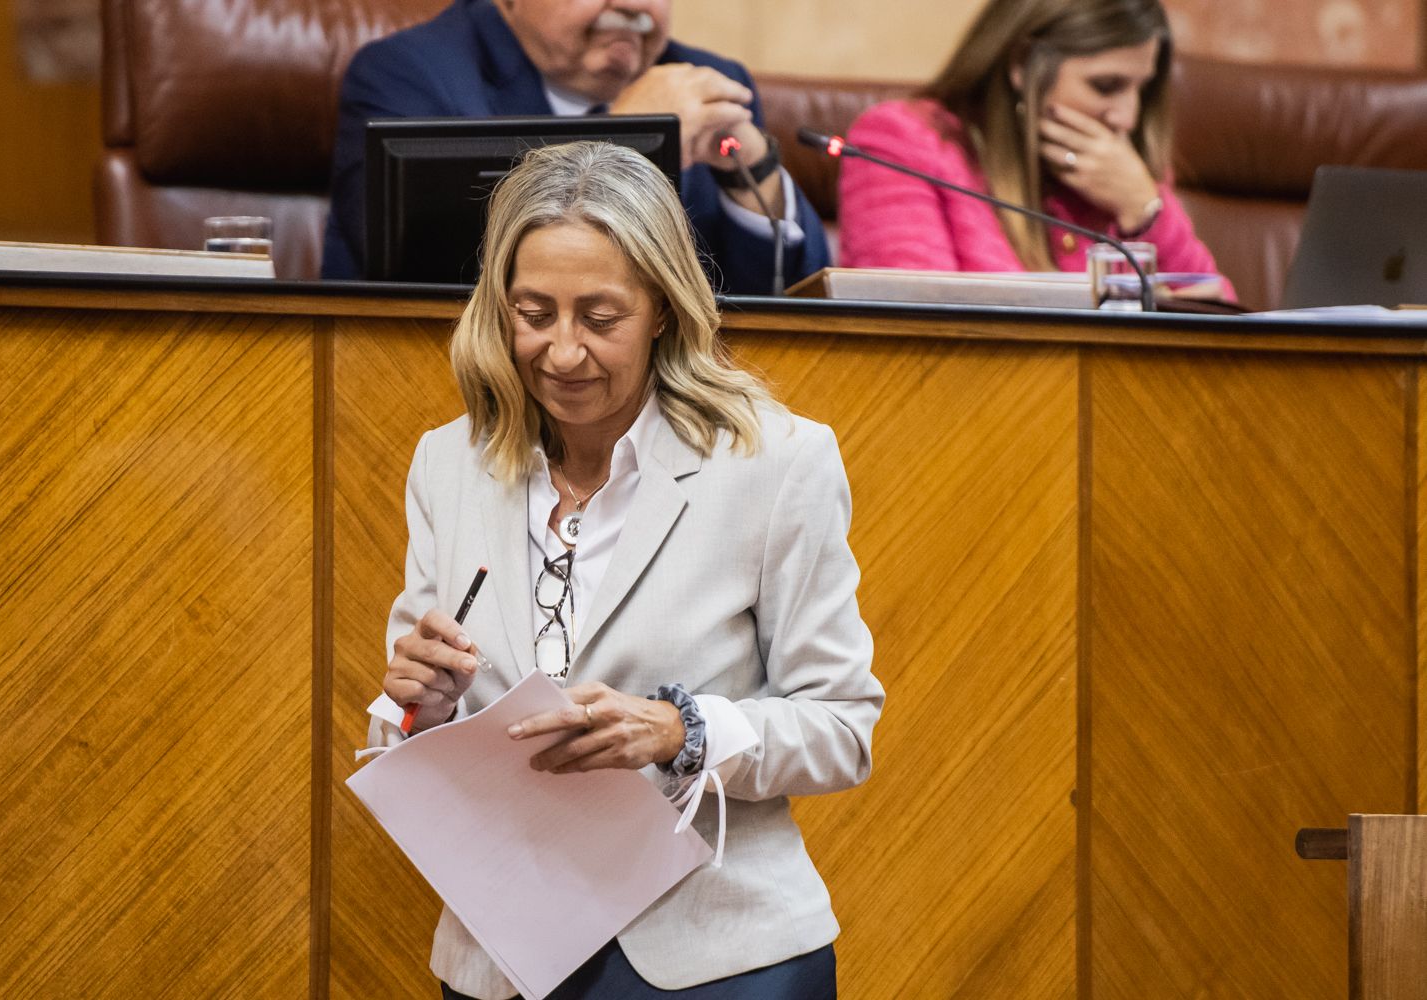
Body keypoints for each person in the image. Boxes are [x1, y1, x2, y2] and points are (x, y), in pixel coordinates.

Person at [364, 140, 883, 999]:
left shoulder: (777, 461)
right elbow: (406, 720)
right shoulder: (448, 462)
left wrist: (683, 732)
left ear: (664, 312)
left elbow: (842, 726)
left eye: (600, 320)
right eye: (534, 314)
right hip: (503, 957)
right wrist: (419, 703)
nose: (562, 353)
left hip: (715, 956)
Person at [321, 0, 832, 295]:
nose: (635, 8)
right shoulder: (408, 77)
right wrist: (634, 140)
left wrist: (756, 177)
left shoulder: (707, 83)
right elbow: (442, 281)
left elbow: (791, 301)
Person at [837, 0, 1230, 292]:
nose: (1126, 117)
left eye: (1141, 90)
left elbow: (1224, 327)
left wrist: (1145, 211)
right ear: (1023, 64)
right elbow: (912, 327)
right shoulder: (900, 141)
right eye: (1105, 86)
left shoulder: (1121, 173)